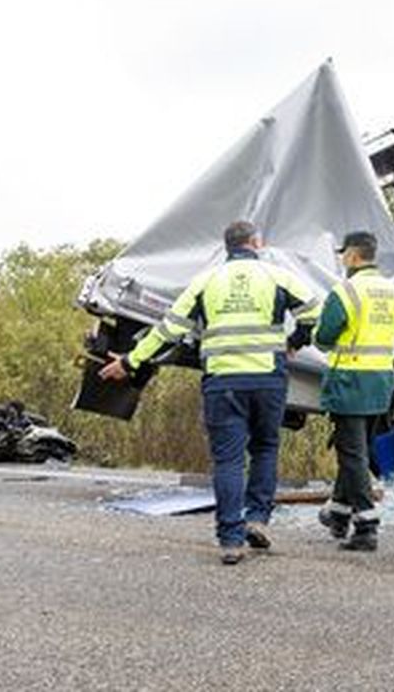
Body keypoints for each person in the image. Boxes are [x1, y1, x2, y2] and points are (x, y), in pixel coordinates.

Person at [101, 220, 316, 565]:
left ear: (227, 247)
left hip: (224, 382)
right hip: (267, 379)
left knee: (228, 460)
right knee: (265, 447)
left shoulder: (205, 282)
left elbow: (168, 330)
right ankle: (257, 518)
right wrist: (295, 341)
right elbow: (314, 313)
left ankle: (231, 540)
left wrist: (130, 361)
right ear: (256, 243)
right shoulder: (278, 277)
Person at [312, 230, 394, 552]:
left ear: (352, 255)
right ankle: (338, 512)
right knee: (356, 450)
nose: (341, 259)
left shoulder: (345, 292)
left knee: (352, 454)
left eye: (342, 254)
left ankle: (366, 524)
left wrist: (323, 337)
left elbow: (323, 336)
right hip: (380, 385)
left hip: (349, 383)